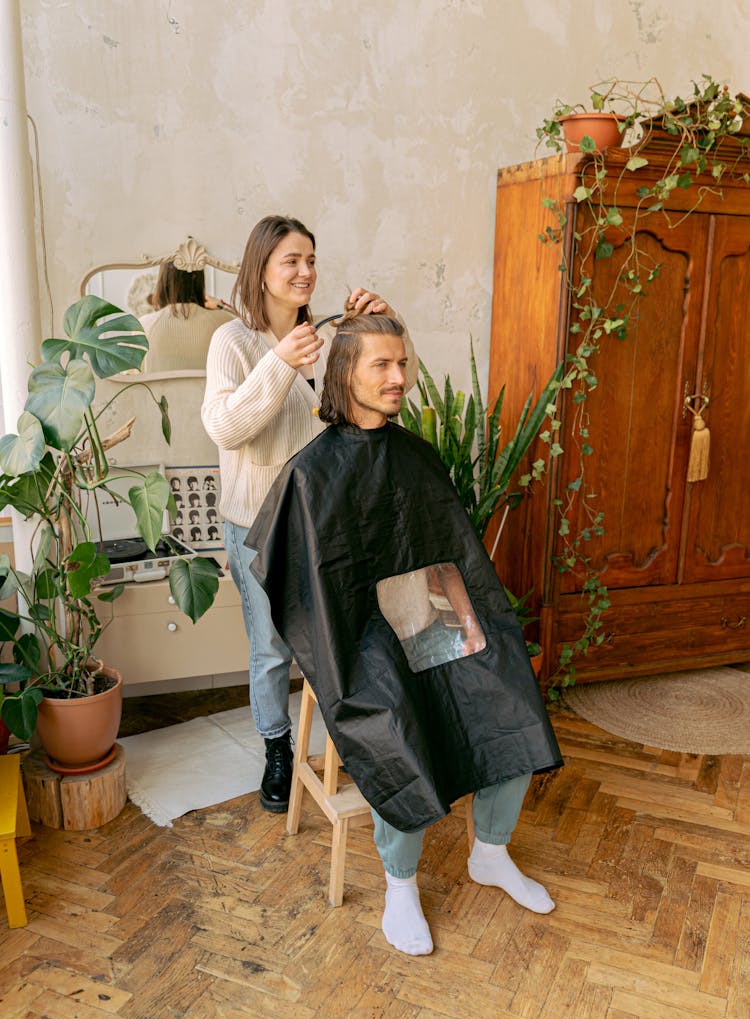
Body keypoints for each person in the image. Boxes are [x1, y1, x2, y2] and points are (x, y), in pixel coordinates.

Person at [247, 315, 563, 956]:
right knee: (394, 717)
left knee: (509, 693)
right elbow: (296, 580)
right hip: (357, 634)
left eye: (402, 364)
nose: (398, 378)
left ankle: (491, 853)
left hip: (427, 608)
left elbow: (450, 554)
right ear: (346, 374)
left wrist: (469, 625)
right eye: (380, 366)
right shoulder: (310, 474)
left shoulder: (416, 454)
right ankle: (400, 887)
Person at [201, 216, 417, 814]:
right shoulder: (233, 342)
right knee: (271, 648)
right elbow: (226, 429)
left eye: (312, 260)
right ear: (261, 269)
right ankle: (276, 748)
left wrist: (386, 325)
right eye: (291, 260)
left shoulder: (330, 338)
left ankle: (356, 743)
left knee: (343, 640)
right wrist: (278, 363)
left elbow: (384, 398)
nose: (306, 272)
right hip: (256, 524)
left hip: (326, 522)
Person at [139, 257, 233, 374]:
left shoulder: (143, 326)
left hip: (159, 393)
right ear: (199, 280)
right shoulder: (225, 321)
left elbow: (130, 384)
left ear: (163, 281)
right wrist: (221, 306)